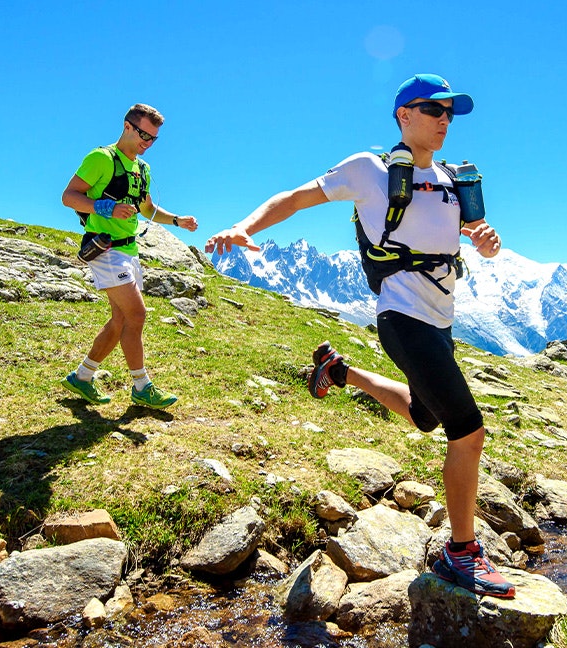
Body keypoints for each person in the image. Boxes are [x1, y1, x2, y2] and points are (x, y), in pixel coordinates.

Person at [205, 75, 513, 598]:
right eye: (433, 109)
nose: (444, 119)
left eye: (450, 112)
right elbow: (296, 198)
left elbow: (474, 243)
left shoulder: (451, 180)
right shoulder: (370, 169)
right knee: (468, 429)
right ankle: (462, 553)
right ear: (403, 115)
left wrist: (487, 243)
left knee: (424, 414)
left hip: (442, 323)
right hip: (401, 317)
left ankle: (338, 370)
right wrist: (246, 227)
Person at [60, 103, 198, 409]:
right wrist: (105, 208)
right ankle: (142, 386)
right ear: (127, 126)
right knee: (137, 315)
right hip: (106, 249)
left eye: (153, 139)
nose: (147, 143)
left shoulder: (142, 169)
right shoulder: (101, 158)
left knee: (121, 320)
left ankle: (81, 377)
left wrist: (177, 220)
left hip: (130, 250)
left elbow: (147, 209)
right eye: (143, 135)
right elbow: (69, 197)